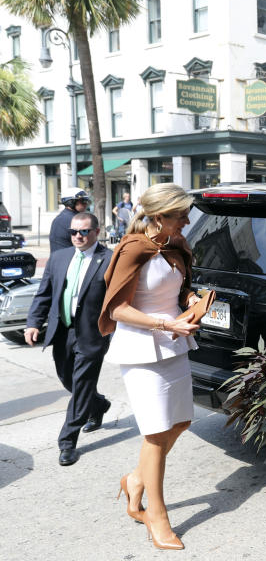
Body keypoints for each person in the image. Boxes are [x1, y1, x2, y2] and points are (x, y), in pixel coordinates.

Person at [98, 183, 201, 550]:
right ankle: (155, 516)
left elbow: (180, 288)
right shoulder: (134, 248)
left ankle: (135, 481)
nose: (188, 221)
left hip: (176, 342)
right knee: (156, 434)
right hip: (143, 348)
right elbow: (117, 309)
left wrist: (193, 300)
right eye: (181, 215)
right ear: (159, 216)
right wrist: (166, 324)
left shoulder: (175, 245)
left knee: (182, 421)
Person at [25, 212, 113, 466]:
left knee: (82, 383)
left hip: (92, 334)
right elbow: (44, 294)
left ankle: (67, 442)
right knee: (68, 380)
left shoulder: (108, 260)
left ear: (96, 232)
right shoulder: (59, 257)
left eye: (84, 232)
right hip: (62, 330)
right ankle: (97, 406)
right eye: (73, 232)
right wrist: (33, 323)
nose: (77, 236)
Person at [49, 187, 91, 253]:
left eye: (87, 201)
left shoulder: (63, 216)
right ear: (71, 202)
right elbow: (89, 243)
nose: (86, 204)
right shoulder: (74, 220)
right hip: (68, 260)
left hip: (59, 258)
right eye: (83, 201)